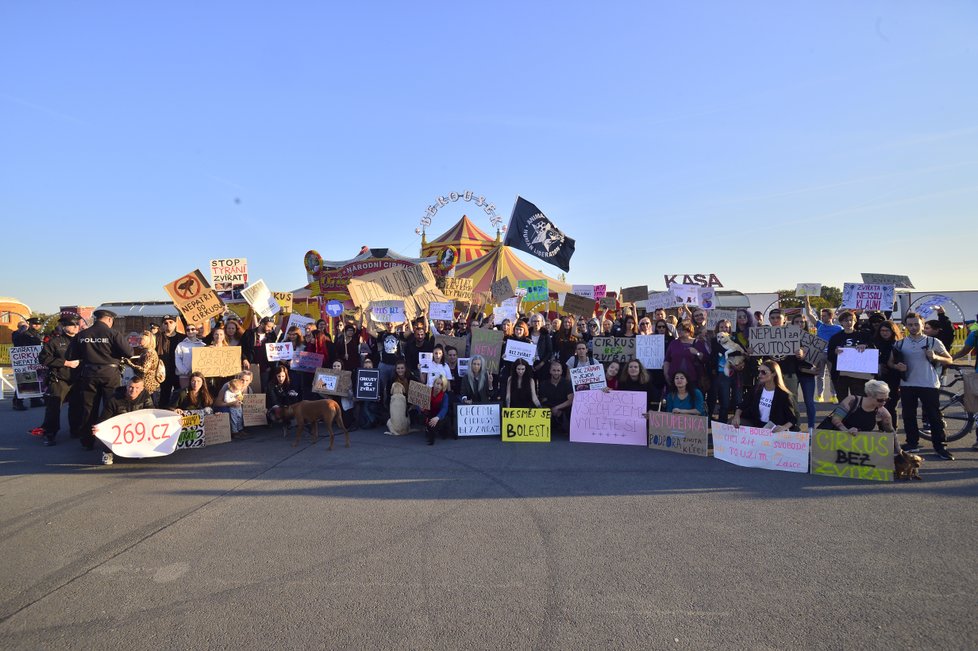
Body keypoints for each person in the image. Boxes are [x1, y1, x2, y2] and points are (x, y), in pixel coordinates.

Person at [67, 309, 135, 453]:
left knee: (88, 408)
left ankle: (87, 441)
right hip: (110, 374)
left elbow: (70, 355)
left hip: (88, 374)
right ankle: (111, 440)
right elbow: (129, 352)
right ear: (109, 320)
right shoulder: (113, 334)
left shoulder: (82, 335)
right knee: (111, 407)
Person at [888, 312, 954, 460]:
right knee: (909, 415)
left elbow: (949, 360)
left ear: (923, 325)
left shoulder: (933, 342)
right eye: (910, 324)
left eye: (916, 324)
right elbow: (890, 362)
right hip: (907, 384)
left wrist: (936, 357)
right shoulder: (900, 343)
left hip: (929, 383)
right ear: (905, 326)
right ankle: (912, 443)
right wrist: (897, 366)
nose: (913, 327)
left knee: (934, 416)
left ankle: (940, 446)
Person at [35, 314, 82, 445]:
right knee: (54, 408)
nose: (75, 327)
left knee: (77, 407)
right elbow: (43, 358)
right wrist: (65, 363)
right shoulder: (55, 342)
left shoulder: (81, 341)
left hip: (77, 379)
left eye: (77, 324)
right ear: (64, 326)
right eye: (72, 325)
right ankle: (50, 433)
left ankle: (75, 430)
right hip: (59, 379)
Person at [92, 374, 154, 465]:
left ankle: (139, 448)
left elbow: (152, 412)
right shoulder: (114, 399)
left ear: (142, 388)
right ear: (126, 386)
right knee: (101, 430)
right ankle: (107, 453)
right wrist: (98, 427)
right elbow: (104, 418)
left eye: (137, 388)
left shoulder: (145, 396)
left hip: (137, 428)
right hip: (119, 429)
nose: (133, 390)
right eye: (131, 387)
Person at [732, 359, 799, 431]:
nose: (759, 375)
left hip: (773, 429)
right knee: (731, 422)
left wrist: (783, 427)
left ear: (774, 374)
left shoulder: (783, 395)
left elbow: (792, 418)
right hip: (756, 425)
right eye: (759, 372)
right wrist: (736, 416)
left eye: (763, 372)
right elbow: (742, 405)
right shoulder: (756, 389)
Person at [820, 380, 895, 434]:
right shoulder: (852, 401)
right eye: (880, 400)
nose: (884, 403)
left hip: (860, 447)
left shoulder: (883, 413)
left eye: (887, 399)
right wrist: (846, 431)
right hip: (838, 440)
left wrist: (900, 451)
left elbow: (891, 433)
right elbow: (835, 419)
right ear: (869, 395)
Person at [826, 310, 872, 400]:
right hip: (840, 375)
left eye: (851, 320)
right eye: (846, 320)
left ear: (855, 321)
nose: (849, 323)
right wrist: (835, 352)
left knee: (858, 400)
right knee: (843, 402)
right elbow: (829, 356)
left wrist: (866, 346)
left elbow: (873, 349)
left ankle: (856, 414)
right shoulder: (835, 338)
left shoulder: (863, 335)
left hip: (858, 375)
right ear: (841, 322)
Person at [662, 322, 710, 393]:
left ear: (689, 331)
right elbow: (667, 360)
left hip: (693, 379)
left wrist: (697, 353)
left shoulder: (698, 343)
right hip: (675, 379)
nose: (679, 331)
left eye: (682, 329)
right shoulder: (674, 343)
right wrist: (666, 374)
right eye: (678, 329)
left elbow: (706, 359)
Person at [873, 319, 903, 425]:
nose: (884, 333)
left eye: (887, 330)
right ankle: (882, 431)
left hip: (894, 380)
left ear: (893, 331)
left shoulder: (899, 345)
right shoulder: (874, 344)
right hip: (878, 381)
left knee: (891, 407)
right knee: (879, 407)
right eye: (882, 330)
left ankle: (892, 432)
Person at [792, 314, 818, 432]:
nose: (799, 324)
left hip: (806, 373)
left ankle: (811, 427)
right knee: (792, 401)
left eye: (802, 322)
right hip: (791, 373)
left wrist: (805, 353)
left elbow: (817, 357)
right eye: (796, 322)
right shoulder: (787, 337)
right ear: (792, 324)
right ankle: (794, 425)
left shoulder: (811, 338)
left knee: (809, 401)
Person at [12, 317, 45, 410]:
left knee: (34, 379)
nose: (37, 326)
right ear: (30, 324)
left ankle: (35, 400)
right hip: (26, 360)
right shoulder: (24, 334)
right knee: (23, 380)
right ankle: (17, 401)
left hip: (35, 360)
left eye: (38, 324)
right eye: (34, 324)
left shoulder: (38, 334)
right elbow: (18, 345)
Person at [123, 330, 162, 406]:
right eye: (139, 339)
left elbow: (144, 369)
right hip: (145, 384)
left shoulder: (149, 352)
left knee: (149, 406)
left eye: (142, 339)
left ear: (148, 341)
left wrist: (130, 364)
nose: (139, 341)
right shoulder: (145, 352)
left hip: (149, 385)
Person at [155, 315, 186, 408]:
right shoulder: (157, 338)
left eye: (171, 322)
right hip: (164, 372)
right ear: (162, 325)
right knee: (164, 396)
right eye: (165, 323)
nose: (168, 324)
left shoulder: (182, 338)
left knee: (179, 396)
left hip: (178, 371)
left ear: (175, 324)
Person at [242, 316, 278, 390]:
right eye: (268, 326)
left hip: (265, 368)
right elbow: (242, 347)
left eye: (271, 327)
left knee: (264, 389)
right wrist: (244, 359)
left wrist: (270, 366)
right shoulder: (249, 333)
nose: (270, 329)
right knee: (250, 388)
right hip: (251, 366)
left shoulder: (271, 335)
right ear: (261, 324)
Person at [537, 360, 573, 433]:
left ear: (561, 371)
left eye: (558, 370)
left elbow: (570, 400)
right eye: (554, 370)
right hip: (549, 409)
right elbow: (543, 400)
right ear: (550, 371)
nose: (556, 373)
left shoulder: (567, 383)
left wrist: (557, 408)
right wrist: (551, 410)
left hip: (563, 409)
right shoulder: (544, 384)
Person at [213, 374, 249, 439]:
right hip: (232, 408)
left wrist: (240, 398)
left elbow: (241, 398)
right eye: (235, 389)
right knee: (233, 420)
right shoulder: (228, 392)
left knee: (239, 419)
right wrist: (234, 401)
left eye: (247, 380)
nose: (244, 382)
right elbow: (226, 400)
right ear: (231, 387)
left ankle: (240, 429)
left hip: (239, 408)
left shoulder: (239, 391)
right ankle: (234, 432)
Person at [174, 324, 206, 390]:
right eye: (188, 330)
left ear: (196, 331)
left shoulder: (203, 345)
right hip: (185, 376)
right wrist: (186, 372)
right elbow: (178, 360)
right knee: (186, 394)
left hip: (199, 376)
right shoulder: (181, 345)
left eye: (192, 329)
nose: (190, 331)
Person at [423, 374, 452, 445]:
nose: (439, 386)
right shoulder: (427, 392)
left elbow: (444, 409)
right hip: (430, 413)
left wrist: (437, 417)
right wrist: (422, 408)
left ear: (443, 387)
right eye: (437, 383)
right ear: (434, 383)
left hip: (440, 415)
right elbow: (424, 405)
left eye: (441, 384)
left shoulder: (445, 396)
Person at [528, 313, 553, 381]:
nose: (536, 323)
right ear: (531, 322)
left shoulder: (545, 334)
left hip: (543, 363)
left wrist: (541, 364)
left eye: (538, 321)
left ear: (542, 322)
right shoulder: (527, 333)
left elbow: (549, 351)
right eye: (534, 321)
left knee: (543, 384)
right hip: (529, 363)